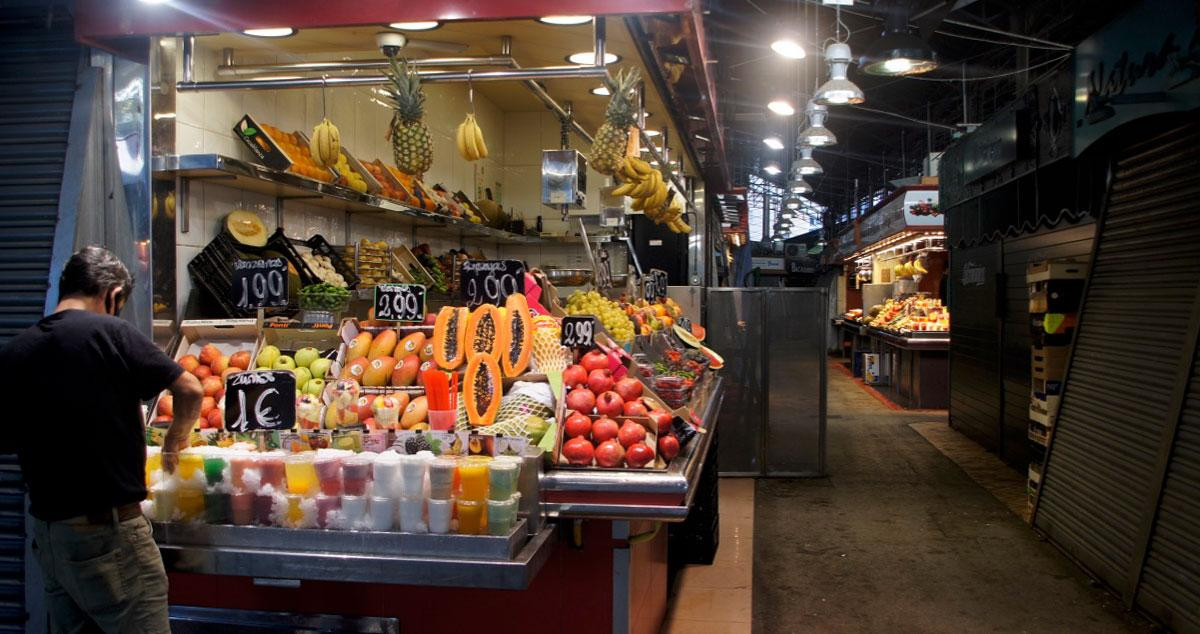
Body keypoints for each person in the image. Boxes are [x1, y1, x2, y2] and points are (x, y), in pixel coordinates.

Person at [0, 246, 202, 633]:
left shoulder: (17, 350)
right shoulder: (110, 332)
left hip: (51, 538)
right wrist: (175, 441)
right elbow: (190, 388)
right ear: (111, 295)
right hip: (110, 537)